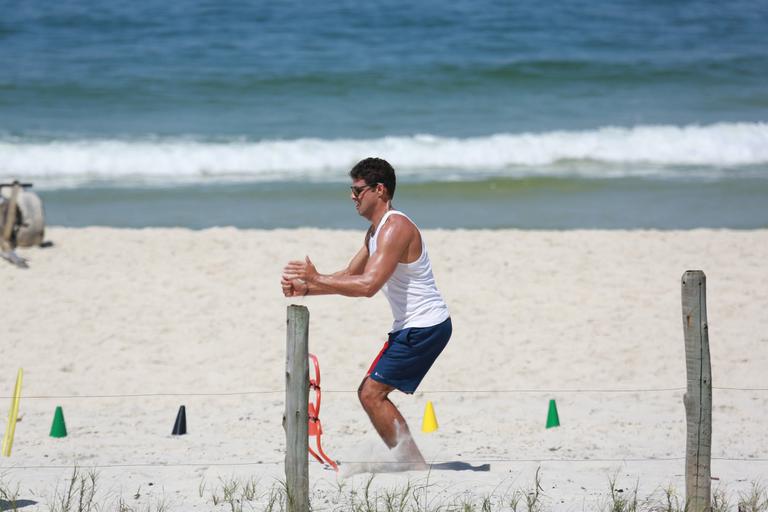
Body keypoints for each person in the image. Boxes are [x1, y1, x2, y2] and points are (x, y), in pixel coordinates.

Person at [281, 157, 452, 468]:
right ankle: (413, 463)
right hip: (413, 325)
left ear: (380, 190)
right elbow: (351, 274)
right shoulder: (375, 232)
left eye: (358, 190)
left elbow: (369, 286)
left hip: (425, 325)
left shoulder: (395, 227)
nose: (352, 196)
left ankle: (413, 466)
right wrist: (307, 290)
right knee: (370, 392)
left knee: (371, 393)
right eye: (352, 189)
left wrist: (316, 278)